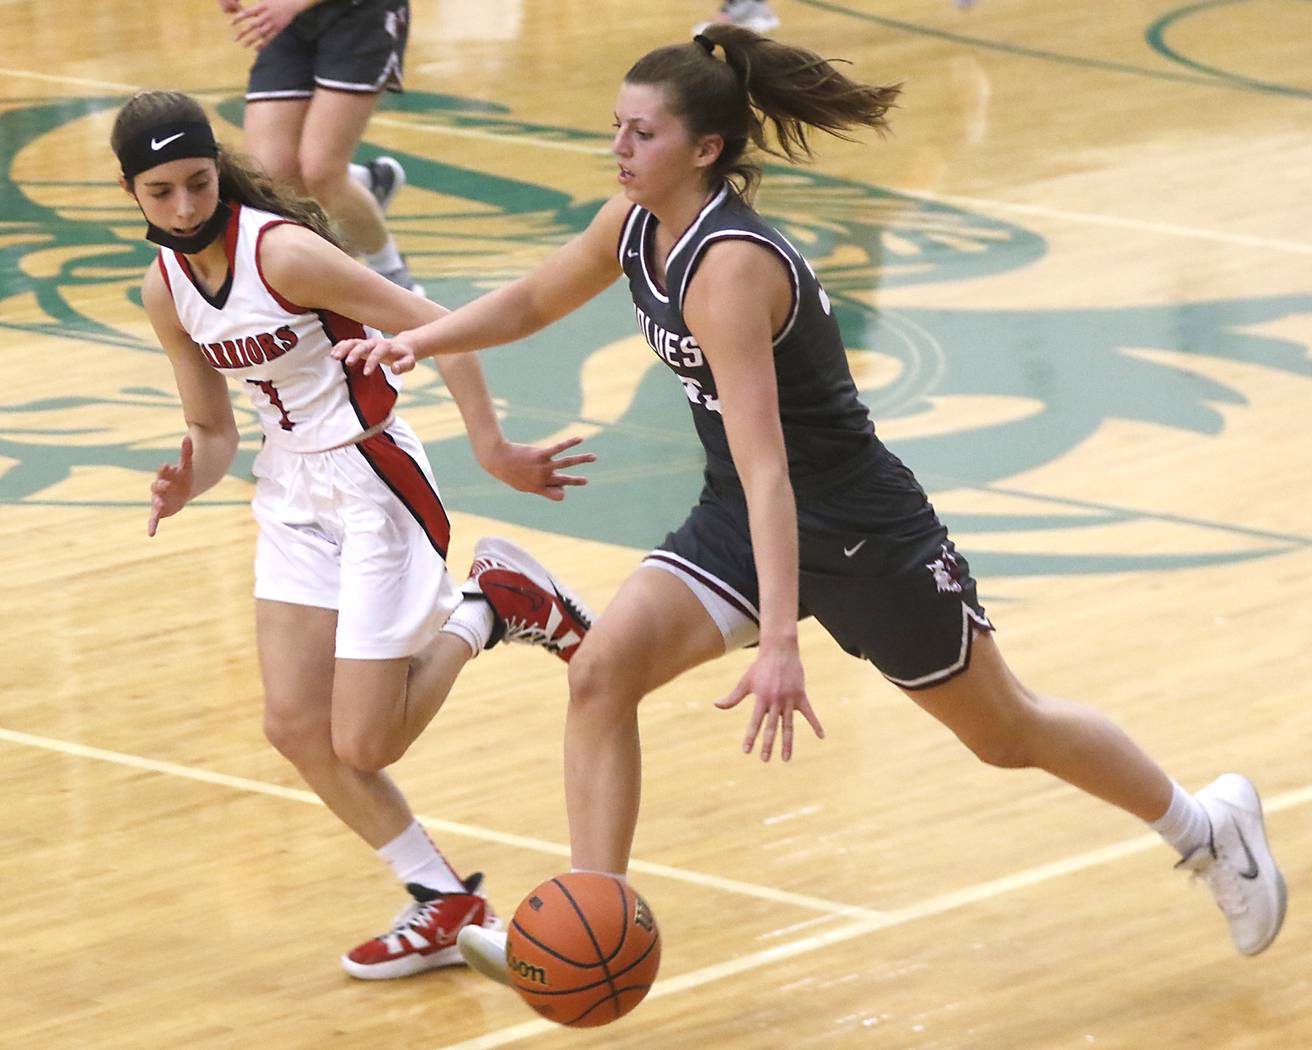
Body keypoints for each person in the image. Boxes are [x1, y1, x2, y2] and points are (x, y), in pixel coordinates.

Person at [334, 25, 1289, 982]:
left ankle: (1207, 827)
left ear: (704, 150)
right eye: (615, 129)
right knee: (602, 676)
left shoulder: (729, 269)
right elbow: (537, 299)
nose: (619, 150)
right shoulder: (632, 224)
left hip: (859, 528)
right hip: (743, 516)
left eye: (641, 135)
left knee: (1007, 732)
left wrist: (782, 639)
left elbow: (770, 470)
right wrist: (421, 341)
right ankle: (593, 929)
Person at [112, 88, 598, 979]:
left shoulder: (285, 253)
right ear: (131, 193)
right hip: (289, 492)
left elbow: (438, 329)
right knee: (295, 725)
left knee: (367, 742)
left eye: (197, 182)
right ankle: (443, 901)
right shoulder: (163, 287)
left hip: (374, 480)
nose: (184, 207)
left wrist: (490, 445)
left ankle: (492, 605)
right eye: (161, 192)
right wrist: (189, 477)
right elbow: (215, 430)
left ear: (218, 171)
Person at [217, 0, 423, 293]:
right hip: (289, 18)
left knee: (322, 172)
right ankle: (367, 185)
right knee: (271, 175)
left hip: (361, 15)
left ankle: (391, 274)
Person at [695, 0, 778, 34]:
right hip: (740, 19)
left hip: (757, 20)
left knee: (703, 29)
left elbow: (747, 8)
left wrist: (725, 17)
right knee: (702, 28)